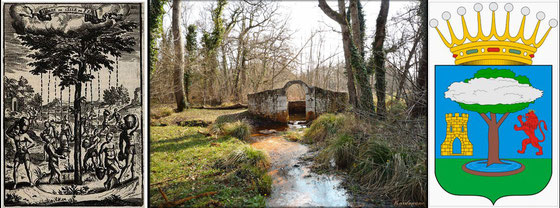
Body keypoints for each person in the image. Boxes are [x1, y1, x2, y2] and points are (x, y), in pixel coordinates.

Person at [6, 117, 35, 189]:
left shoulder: (25, 135)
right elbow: (7, 132)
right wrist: (14, 124)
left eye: (17, 128)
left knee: (27, 168)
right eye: (16, 129)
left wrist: (27, 147)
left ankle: (31, 182)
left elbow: (33, 142)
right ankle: (15, 183)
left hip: (25, 154)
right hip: (18, 154)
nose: (16, 130)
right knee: (15, 168)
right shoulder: (15, 136)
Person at [117, 114, 138, 181]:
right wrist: (136, 119)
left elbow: (121, 144)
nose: (129, 124)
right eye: (128, 122)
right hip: (129, 148)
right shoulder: (127, 131)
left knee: (134, 163)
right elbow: (136, 126)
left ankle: (133, 176)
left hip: (132, 147)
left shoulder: (123, 133)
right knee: (128, 164)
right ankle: (120, 179)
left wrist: (121, 151)